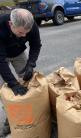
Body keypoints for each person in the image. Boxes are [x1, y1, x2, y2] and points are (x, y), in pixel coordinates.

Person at [0, 8, 42, 136]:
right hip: (1, 56)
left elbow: (35, 45)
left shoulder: (30, 25)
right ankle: (10, 122)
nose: (24, 36)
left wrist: (31, 64)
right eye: (20, 32)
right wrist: (13, 84)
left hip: (18, 53)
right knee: (4, 91)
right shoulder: (0, 26)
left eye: (26, 33)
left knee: (31, 81)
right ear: (11, 24)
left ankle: (35, 116)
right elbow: (0, 61)